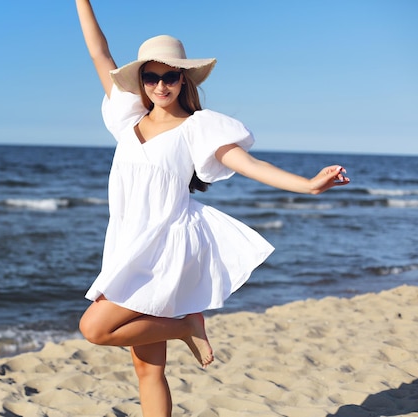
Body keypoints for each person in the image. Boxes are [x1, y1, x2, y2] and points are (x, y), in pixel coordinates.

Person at [75, 1, 350, 416]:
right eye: (151, 77)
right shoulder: (126, 118)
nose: (160, 85)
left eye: (170, 76)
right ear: (141, 80)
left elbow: (250, 165)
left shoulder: (198, 128)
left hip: (164, 246)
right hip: (126, 247)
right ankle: (185, 328)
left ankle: (187, 324)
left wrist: (308, 185)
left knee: (94, 327)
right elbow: (99, 52)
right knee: (147, 370)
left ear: (183, 79)